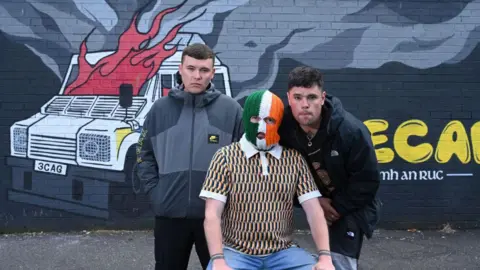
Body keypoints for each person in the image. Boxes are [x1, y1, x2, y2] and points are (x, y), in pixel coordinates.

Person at [136, 43, 244, 270]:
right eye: (191, 68)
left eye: (204, 70)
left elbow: (245, 161)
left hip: (217, 219)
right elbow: (143, 155)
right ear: (181, 69)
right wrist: (157, 194)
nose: (197, 76)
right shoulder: (159, 109)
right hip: (170, 216)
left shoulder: (231, 110)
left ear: (212, 73)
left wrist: (232, 200)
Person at [199, 90, 335, 270]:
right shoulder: (225, 157)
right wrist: (218, 260)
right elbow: (212, 214)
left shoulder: (293, 159)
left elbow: (314, 211)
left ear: (278, 122)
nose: (262, 127)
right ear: (247, 118)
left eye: (270, 120)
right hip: (236, 252)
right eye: (255, 118)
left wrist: (325, 257)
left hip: (283, 252)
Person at [278, 66, 382, 270]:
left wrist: (335, 208)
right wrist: (314, 201)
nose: (305, 105)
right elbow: (278, 172)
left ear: (323, 97)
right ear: (288, 98)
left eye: (312, 97)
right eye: (297, 97)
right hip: (309, 200)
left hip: (349, 206)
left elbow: (367, 181)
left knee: (338, 262)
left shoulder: (351, 131)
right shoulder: (282, 128)